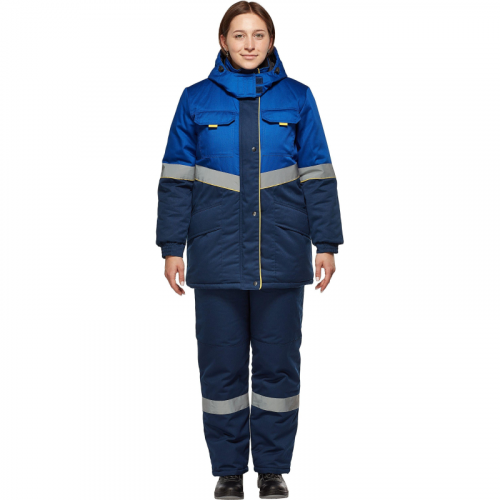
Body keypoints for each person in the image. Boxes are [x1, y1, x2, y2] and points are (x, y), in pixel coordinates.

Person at [156, 2, 343, 498]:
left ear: (271, 40)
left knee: (279, 367)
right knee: (221, 368)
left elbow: (318, 174)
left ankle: (272, 470)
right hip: (214, 256)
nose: (249, 44)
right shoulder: (195, 99)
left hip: (281, 253)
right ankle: (228, 471)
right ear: (223, 41)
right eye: (239, 35)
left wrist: (327, 242)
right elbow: (175, 180)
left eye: (258, 34)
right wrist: (171, 247)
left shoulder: (298, 97)